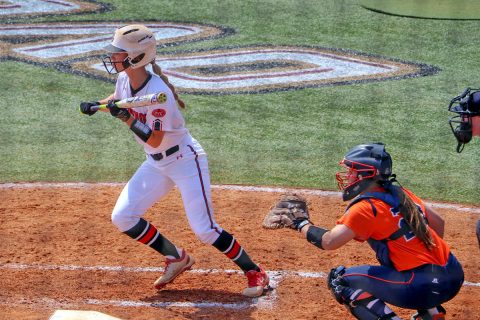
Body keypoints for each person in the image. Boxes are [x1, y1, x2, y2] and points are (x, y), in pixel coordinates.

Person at [79, 24, 269, 297]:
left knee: (205, 230)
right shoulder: (124, 78)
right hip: (155, 163)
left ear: (136, 56)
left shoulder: (159, 94)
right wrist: (97, 105)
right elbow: (120, 99)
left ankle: (255, 272)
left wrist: (126, 118)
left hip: (184, 160)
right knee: (123, 216)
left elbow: (154, 139)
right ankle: (176, 257)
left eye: (118, 53)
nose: (113, 57)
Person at [273, 143, 464, 320]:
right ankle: (432, 312)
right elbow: (439, 224)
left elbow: (329, 241)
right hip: (454, 275)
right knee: (401, 261)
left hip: (422, 286)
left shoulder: (366, 208)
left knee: (340, 281)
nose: (348, 176)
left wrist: (301, 223)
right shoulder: (400, 193)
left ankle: (426, 303)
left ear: (366, 174)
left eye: (352, 171)